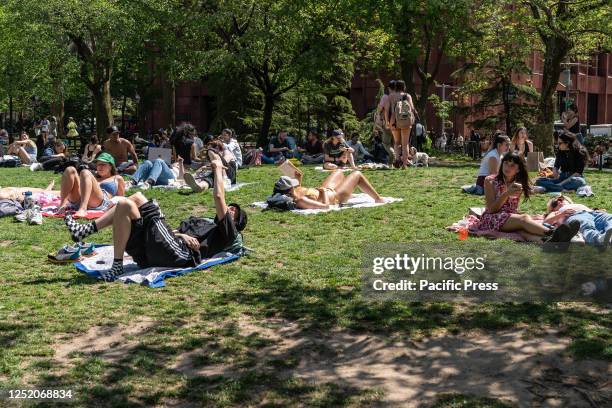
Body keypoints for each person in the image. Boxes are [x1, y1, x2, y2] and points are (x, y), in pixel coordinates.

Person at [61, 154, 247, 281]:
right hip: (163, 249)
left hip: (178, 255)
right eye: (231, 208)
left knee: (141, 198)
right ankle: (112, 261)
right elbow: (173, 234)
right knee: (126, 203)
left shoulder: (228, 233)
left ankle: (86, 230)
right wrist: (182, 235)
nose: (230, 209)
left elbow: (219, 196)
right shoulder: (204, 223)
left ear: (235, 223)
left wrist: (218, 169)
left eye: (234, 213)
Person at [479, 152, 578, 243]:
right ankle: (554, 233)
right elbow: (491, 209)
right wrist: (506, 194)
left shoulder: (518, 183)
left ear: (518, 169)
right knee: (524, 219)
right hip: (491, 219)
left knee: (523, 232)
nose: (507, 167)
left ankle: (550, 242)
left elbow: (533, 190)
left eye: (512, 165)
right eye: (505, 163)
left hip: (508, 218)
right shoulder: (490, 180)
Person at [271, 169, 384, 210]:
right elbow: (325, 206)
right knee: (357, 174)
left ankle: (349, 192)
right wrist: (324, 192)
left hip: (326, 190)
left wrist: (299, 179)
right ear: (290, 190)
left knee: (338, 172)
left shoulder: (294, 193)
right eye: (293, 186)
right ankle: (378, 199)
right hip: (335, 196)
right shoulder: (300, 201)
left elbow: (299, 190)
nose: (295, 187)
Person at [57, 152, 125, 217]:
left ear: (111, 166)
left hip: (100, 202)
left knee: (84, 172)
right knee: (70, 169)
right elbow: (65, 190)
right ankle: (62, 205)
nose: (100, 167)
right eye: (98, 164)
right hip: (80, 199)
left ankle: (83, 208)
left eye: (103, 164)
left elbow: (121, 198)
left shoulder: (117, 178)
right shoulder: (93, 177)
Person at [544, 195, 612, 247]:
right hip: (575, 215)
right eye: (554, 203)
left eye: (561, 199)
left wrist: (598, 211)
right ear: (553, 209)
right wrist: (562, 214)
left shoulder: (575, 204)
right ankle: (598, 239)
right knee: (586, 225)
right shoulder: (556, 212)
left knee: (609, 217)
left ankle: (610, 236)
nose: (559, 201)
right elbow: (546, 222)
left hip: (593, 213)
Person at [384, 80, 415, 168]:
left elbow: (386, 110)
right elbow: (412, 108)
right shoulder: (407, 96)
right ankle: (404, 164)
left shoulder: (390, 96)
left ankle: (397, 161)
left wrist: (387, 121)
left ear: (396, 87)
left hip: (394, 121)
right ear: (404, 87)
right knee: (405, 144)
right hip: (405, 119)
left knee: (397, 142)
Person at [377, 80, 396, 163]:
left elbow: (379, 109)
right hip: (399, 124)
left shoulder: (385, 97)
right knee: (397, 143)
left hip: (387, 124)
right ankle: (394, 162)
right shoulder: (400, 97)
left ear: (389, 88)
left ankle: (393, 156)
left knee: (386, 143)